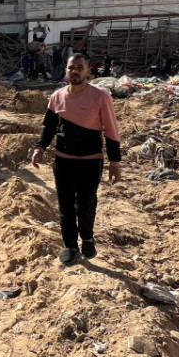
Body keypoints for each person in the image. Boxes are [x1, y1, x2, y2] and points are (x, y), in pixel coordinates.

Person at [30, 54, 122, 264]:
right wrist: (40, 147)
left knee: (85, 203)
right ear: (66, 70)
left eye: (80, 67)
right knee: (66, 207)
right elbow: (49, 127)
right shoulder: (57, 96)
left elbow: (111, 129)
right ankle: (71, 246)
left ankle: (87, 237)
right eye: (72, 67)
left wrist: (115, 161)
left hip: (91, 160)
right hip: (63, 160)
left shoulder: (100, 96)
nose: (75, 71)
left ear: (88, 71)